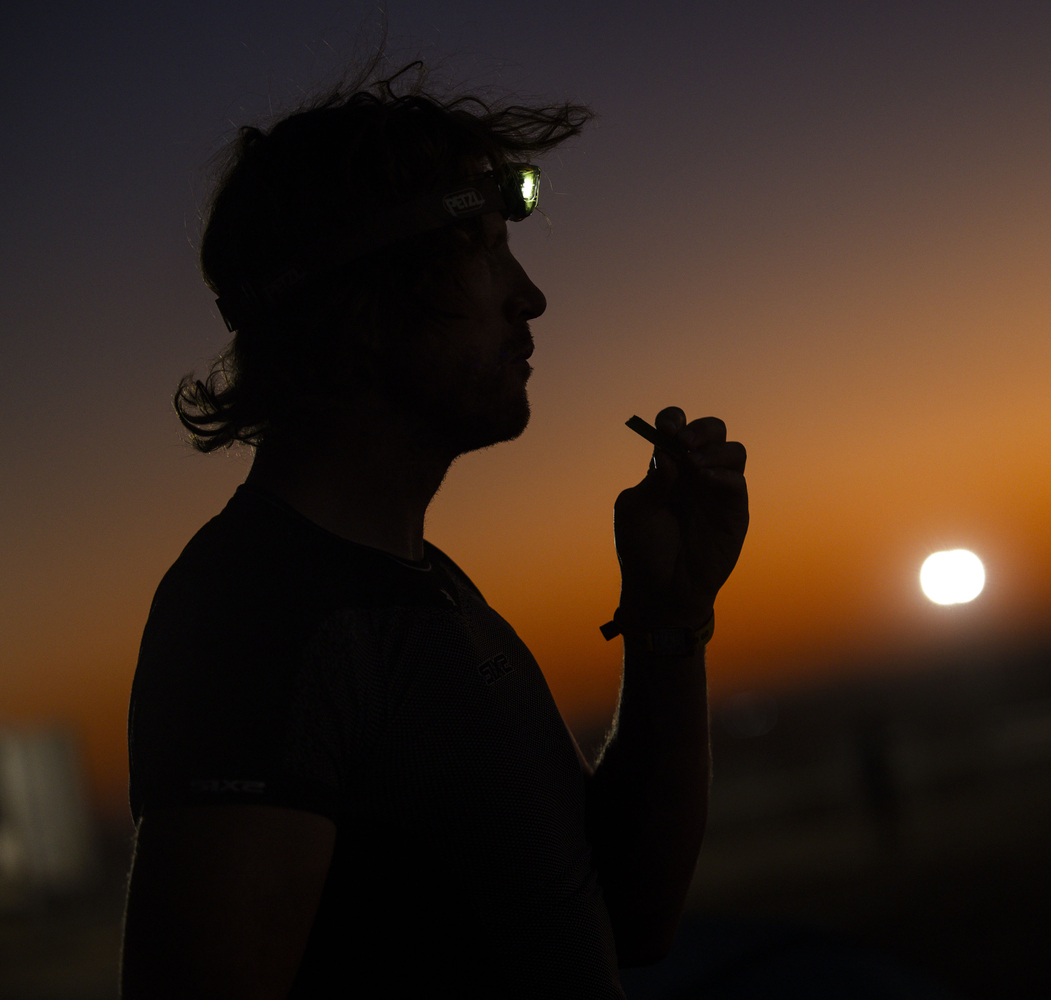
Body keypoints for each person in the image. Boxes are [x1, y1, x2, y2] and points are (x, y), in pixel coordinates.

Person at [121, 66, 748, 999]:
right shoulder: (255, 617)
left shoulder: (426, 588)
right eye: (484, 251)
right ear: (366, 298)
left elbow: (631, 919)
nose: (530, 297)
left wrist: (669, 617)